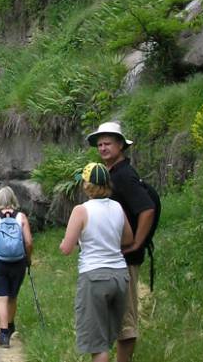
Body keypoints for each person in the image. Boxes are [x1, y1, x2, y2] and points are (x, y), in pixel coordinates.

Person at [87, 121, 155, 362]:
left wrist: (137, 243)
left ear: (120, 146)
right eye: (100, 144)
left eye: (108, 143)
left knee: (125, 319)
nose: (103, 148)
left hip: (125, 259)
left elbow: (146, 209)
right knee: (112, 317)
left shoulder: (124, 175)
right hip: (114, 258)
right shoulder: (113, 174)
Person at [59, 162, 135, 362]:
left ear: (87, 185)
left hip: (94, 277)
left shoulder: (81, 211)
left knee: (98, 345)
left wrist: (67, 241)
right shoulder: (117, 207)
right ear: (107, 183)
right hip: (120, 276)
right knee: (111, 336)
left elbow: (66, 249)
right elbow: (128, 239)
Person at [0, 186, 33, 348]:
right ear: (13, 200)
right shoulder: (21, 217)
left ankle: (4, 335)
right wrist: (28, 259)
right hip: (18, 261)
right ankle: (10, 326)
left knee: (1, 298)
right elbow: (29, 242)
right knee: (12, 296)